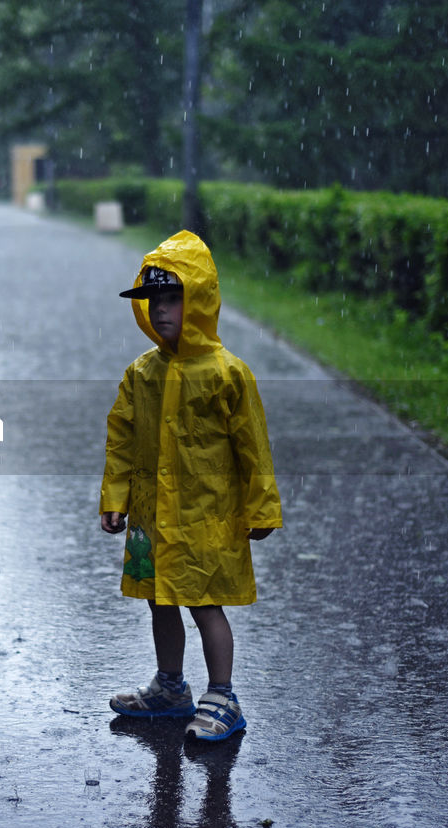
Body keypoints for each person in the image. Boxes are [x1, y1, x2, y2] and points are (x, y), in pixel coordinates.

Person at [100, 229, 282, 742]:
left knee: (205, 602)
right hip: (151, 514)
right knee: (160, 598)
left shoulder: (228, 374)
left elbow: (252, 446)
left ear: (199, 300)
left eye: (174, 298)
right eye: (154, 300)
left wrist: (261, 509)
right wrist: (115, 498)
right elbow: (122, 438)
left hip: (208, 515)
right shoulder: (142, 373)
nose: (161, 311)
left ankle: (222, 694)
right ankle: (171, 686)